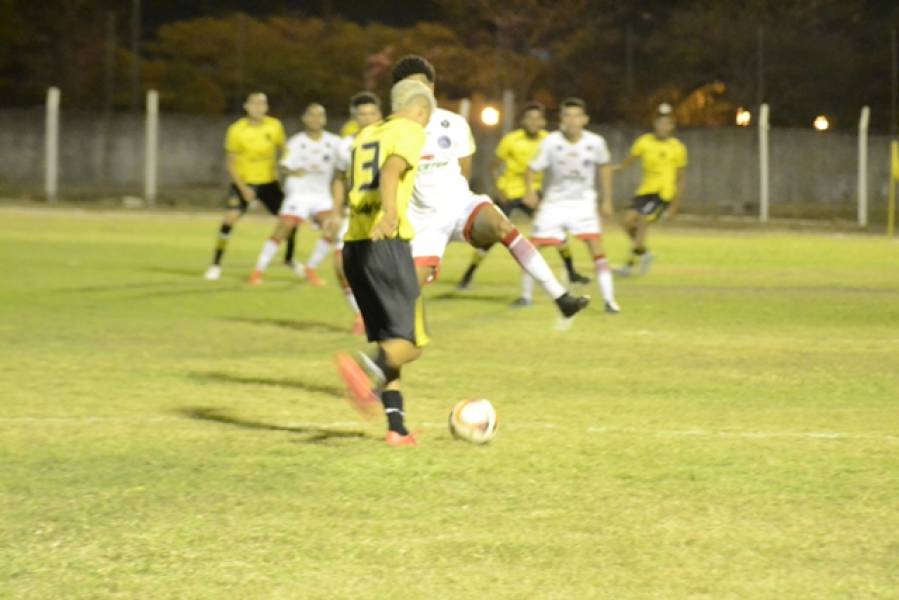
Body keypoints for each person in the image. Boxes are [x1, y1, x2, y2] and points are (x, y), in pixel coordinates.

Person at [391, 55, 590, 319]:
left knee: (502, 226)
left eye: (421, 86)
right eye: (409, 88)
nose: (417, 94)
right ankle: (384, 349)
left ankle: (561, 297)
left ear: (432, 88)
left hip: (459, 206)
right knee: (402, 298)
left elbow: (464, 171)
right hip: (421, 223)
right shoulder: (390, 132)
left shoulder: (454, 123)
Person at [334, 79, 435, 447]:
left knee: (392, 340)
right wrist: (391, 213)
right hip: (386, 244)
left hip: (356, 246)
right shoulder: (409, 129)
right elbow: (391, 171)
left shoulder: (366, 134)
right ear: (421, 109)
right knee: (412, 344)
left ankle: (397, 428)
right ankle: (367, 370)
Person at [456, 102, 589, 290]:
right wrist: (499, 188)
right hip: (509, 194)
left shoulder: (549, 140)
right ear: (523, 121)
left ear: (543, 122)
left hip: (532, 194)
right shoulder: (511, 139)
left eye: (537, 118)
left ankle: (572, 272)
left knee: (556, 229)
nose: (534, 122)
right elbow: (494, 166)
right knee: (491, 236)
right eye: (529, 118)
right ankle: (468, 275)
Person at [518, 98, 620, 313]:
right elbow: (531, 168)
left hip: (583, 203)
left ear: (585, 119)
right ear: (561, 119)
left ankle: (610, 301)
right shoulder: (551, 142)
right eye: (567, 115)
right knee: (531, 247)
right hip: (555, 203)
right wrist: (529, 190)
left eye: (577, 116)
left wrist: (608, 200)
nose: (572, 120)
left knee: (596, 248)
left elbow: (605, 168)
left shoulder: (596, 142)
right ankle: (525, 297)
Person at [249, 103, 342, 286]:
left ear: (324, 119)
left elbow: (345, 164)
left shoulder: (334, 142)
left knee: (334, 228)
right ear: (305, 118)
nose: (316, 119)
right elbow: (283, 166)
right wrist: (291, 172)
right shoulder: (296, 142)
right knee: (283, 229)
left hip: (321, 196)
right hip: (298, 194)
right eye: (312, 115)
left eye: (319, 115)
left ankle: (310, 268)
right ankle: (258, 271)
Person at [204, 92, 290, 281]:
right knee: (229, 219)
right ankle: (215, 265)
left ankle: (289, 259)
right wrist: (244, 189)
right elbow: (230, 163)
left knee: (289, 219)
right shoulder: (236, 130)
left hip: (269, 182)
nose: (258, 107)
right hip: (244, 182)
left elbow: (285, 149)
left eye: (262, 104)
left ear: (266, 107)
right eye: (254, 104)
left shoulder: (274, 126)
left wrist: (282, 166)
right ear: (246, 106)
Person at [614, 103, 688, 276]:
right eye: (660, 123)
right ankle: (643, 252)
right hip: (644, 191)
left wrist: (674, 206)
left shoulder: (677, 148)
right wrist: (610, 169)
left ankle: (630, 265)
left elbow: (681, 178)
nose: (663, 127)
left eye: (667, 123)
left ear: (672, 126)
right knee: (626, 222)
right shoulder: (643, 142)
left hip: (663, 193)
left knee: (642, 220)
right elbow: (626, 164)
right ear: (655, 124)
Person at [333, 92, 384, 335]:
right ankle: (361, 314)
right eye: (362, 114)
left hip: (383, 212)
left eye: (372, 113)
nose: (367, 118)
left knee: (379, 267)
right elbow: (339, 179)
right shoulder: (344, 145)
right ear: (354, 117)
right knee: (340, 265)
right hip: (354, 212)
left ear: (380, 115)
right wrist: (335, 211)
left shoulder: (390, 140)